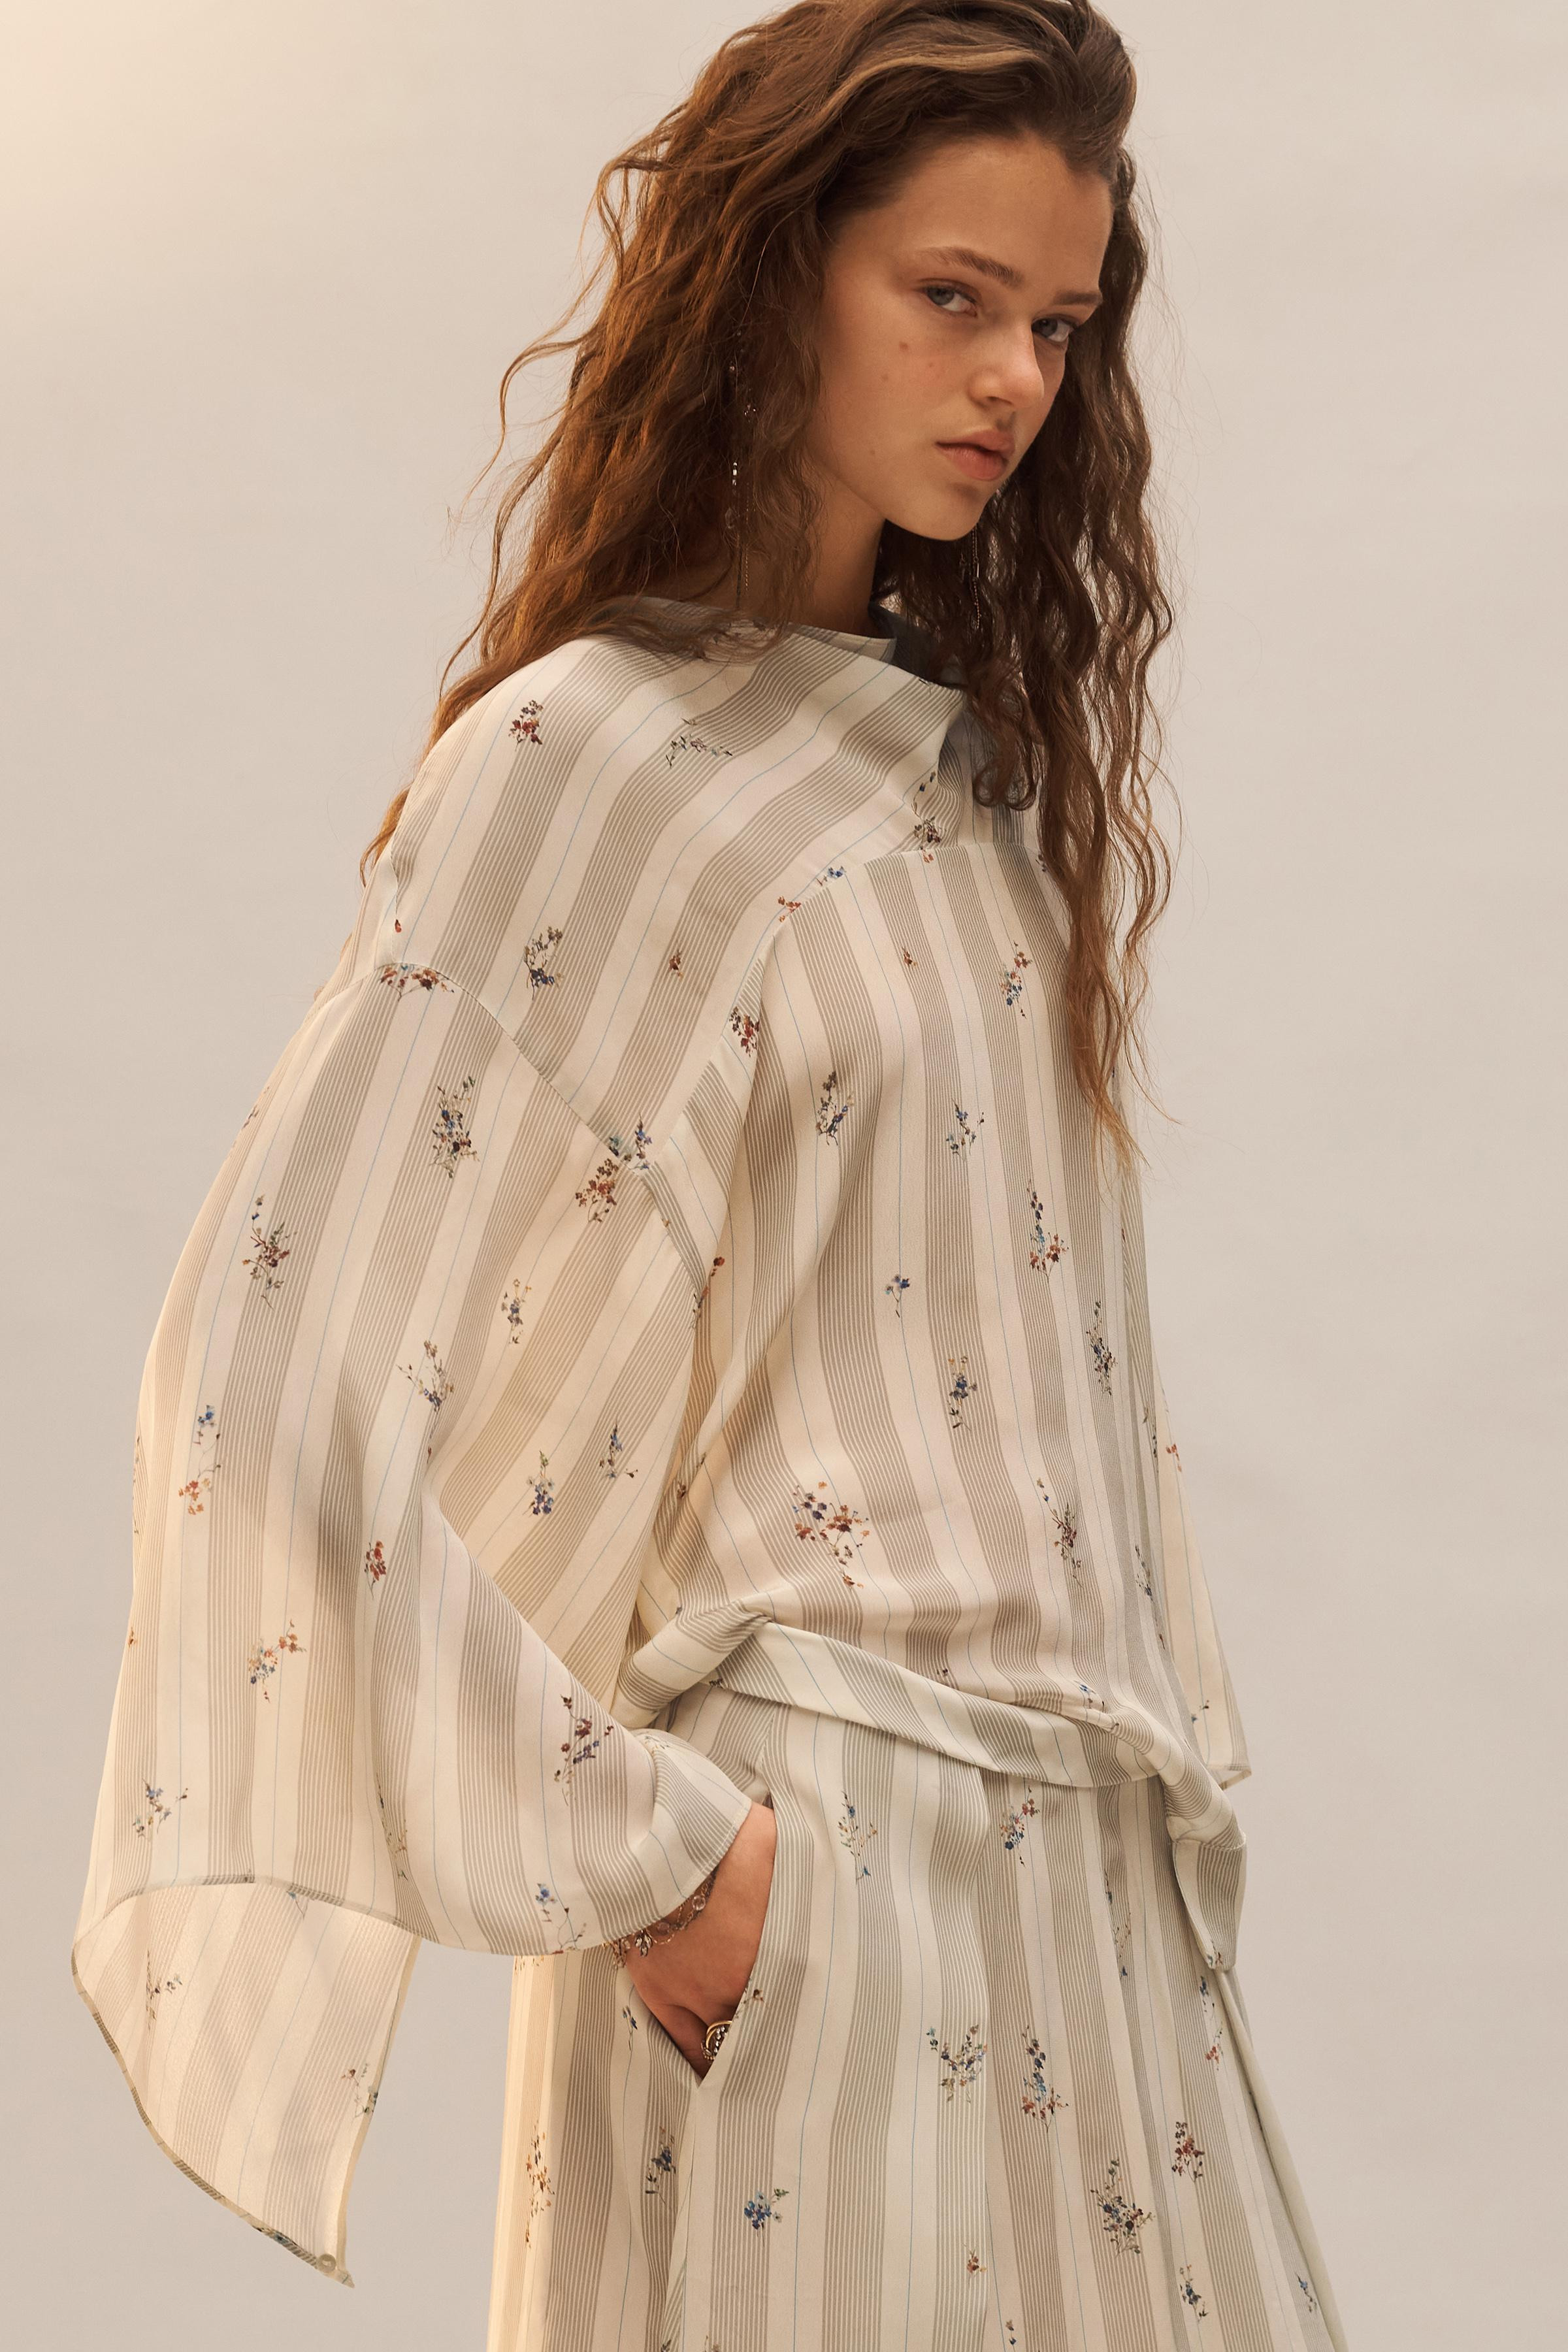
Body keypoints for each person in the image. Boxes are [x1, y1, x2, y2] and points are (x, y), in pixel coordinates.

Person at [72, 3, 1348, 2347]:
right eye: (950, 295)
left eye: (1059, 323)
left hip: (1087, 1896)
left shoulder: (977, 793)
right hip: (823, 1880)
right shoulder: (593, 761)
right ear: (778, 272)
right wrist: (669, 1864)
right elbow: (270, 1385)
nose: (1015, 378)